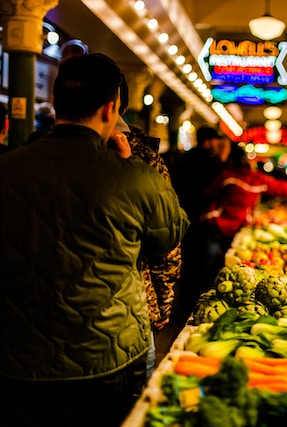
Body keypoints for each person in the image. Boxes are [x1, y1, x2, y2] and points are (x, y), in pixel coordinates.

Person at [0, 52, 189, 427]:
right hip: (110, 356)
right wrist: (129, 166)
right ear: (111, 107)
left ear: (55, 102)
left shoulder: (6, 168)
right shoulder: (137, 176)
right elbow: (167, 238)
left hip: (18, 359)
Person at [115, 75, 183, 376]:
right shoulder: (143, 162)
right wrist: (163, 304)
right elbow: (165, 246)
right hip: (127, 314)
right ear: (113, 107)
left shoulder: (26, 158)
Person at [200, 144, 287, 271]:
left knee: (208, 266)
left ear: (230, 160)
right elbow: (279, 187)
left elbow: (208, 194)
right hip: (236, 225)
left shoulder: (226, 176)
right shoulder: (256, 178)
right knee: (220, 260)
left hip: (217, 224)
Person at [172, 126, 231, 309]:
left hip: (184, 216)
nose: (217, 145)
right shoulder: (211, 161)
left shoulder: (185, 158)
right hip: (203, 220)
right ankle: (197, 302)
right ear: (207, 142)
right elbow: (220, 186)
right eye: (215, 141)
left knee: (188, 260)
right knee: (204, 264)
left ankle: (184, 301)